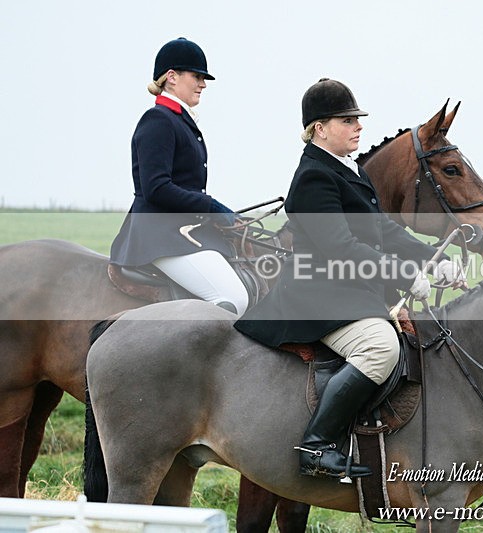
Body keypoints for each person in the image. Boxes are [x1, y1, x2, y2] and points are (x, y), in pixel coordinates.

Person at [234, 78, 463, 479]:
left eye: (357, 118)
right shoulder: (312, 178)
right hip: (318, 296)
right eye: (347, 119)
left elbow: (385, 232)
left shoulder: (348, 169)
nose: (358, 126)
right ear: (319, 128)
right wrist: (406, 275)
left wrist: (433, 258)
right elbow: (341, 248)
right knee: (380, 348)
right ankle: (317, 445)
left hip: (351, 291)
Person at [110, 37, 249, 317]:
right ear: (172, 77)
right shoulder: (158, 120)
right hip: (157, 234)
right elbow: (156, 188)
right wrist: (211, 207)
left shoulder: (180, 121)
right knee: (233, 297)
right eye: (197, 76)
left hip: (182, 231)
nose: (203, 84)